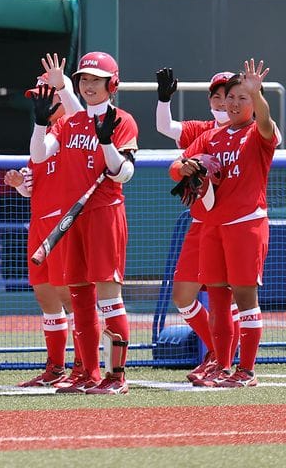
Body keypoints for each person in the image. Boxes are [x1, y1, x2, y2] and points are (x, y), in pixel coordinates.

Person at [30, 52, 138, 394]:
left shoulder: (123, 120)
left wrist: (107, 143)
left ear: (112, 84)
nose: (89, 85)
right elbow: (38, 155)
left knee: (108, 297)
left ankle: (116, 376)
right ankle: (88, 372)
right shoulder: (70, 122)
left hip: (104, 215)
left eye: (96, 79)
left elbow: (124, 173)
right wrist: (38, 123)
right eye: (84, 79)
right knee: (78, 297)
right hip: (72, 217)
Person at [171, 60, 278, 388]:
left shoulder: (256, 134)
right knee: (217, 299)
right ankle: (221, 363)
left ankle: (246, 371)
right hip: (213, 227)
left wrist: (256, 93)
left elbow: (267, 125)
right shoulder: (212, 136)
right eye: (230, 97)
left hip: (246, 223)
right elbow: (176, 167)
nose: (233, 103)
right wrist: (187, 166)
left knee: (245, 297)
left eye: (241, 98)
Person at [155, 68, 237, 383]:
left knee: (229, 298)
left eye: (229, 94)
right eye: (217, 94)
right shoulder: (202, 131)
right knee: (183, 296)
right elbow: (166, 129)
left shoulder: (246, 132)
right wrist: (164, 99)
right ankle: (218, 351)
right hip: (200, 223)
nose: (222, 100)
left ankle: (226, 358)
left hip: (231, 225)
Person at [5, 72, 83, 387]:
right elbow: (34, 182)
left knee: (70, 295)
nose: (42, 102)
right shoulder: (44, 132)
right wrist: (21, 184)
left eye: (46, 96)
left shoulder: (74, 127)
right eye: (38, 97)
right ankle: (55, 368)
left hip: (62, 222)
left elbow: (79, 116)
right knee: (45, 294)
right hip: (39, 221)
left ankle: (82, 365)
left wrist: (63, 88)